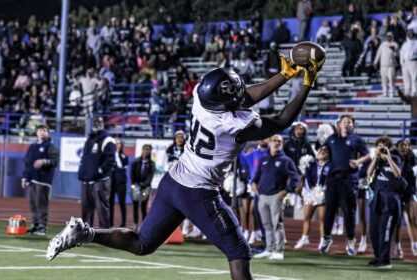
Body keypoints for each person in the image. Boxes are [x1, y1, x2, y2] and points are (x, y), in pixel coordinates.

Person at [46, 53, 323, 279]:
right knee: (238, 251)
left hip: (173, 182)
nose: (239, 94)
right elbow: (282, 120)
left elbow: (243, 96)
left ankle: (86, 232)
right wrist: (307, 82)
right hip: (199, 191)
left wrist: (285, 75)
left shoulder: (202, 100)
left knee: (143, 243)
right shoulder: (233, 125)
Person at [320, 114, 370, 255]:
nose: (347, 124)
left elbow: (368, 156)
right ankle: (326, 238)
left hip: (349, 180)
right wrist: (320, 157)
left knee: (349, 211)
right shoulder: (331, 139)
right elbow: (323, 154)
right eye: (345, 122)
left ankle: (350, 241)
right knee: (329, 210)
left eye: (350, 123)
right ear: (339, 124)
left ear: (353, 125)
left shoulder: (357, 139)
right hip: (333, 179)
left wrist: (358, 162)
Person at [252, 134, 299, 260]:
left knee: (277, 224)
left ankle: (279, 251)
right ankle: (269, 248)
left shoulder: (286, 160)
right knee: (266, 224)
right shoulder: (264, 159)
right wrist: (254, 184)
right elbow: (256, 176)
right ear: (269, 142)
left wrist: (286, 191)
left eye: (279, 141)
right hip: (262, 196)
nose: (276, 143)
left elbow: (295, 178)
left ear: (282, 144)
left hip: (275, 196)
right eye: (274, 140)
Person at [367, 136, 404, 269]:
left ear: (389, 147)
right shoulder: (376, 160)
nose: (381, 147)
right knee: (373, 230)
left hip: (391, 200)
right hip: (377, 198)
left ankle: (385, 260)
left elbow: (398, 174)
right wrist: (376, 158)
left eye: (384, 145)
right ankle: (378, 257)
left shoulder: (396, 159)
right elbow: (369, 173)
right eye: (379, 145)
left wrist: (388, 157)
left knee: (385, 231)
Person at [78, 117, 116, 229]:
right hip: (87, 179)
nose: (97, 124)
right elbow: (84, 158)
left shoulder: (108, 140)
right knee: (86, 208)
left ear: (103, 124)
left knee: (102, 208)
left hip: (101, 180)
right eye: (95, 122)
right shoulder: (89, 139)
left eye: (99, 122)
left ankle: (105, 232)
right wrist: (82, 172)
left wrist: (99, 171)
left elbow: (110, 160)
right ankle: (85, 231)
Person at [22, 124, 59, 236]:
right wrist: (25, 178)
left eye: (45, 130)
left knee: (41, 204)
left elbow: (55, 161)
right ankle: (35, 224)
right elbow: (27, 164)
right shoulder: (32, 147)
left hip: (43, 180)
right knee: (33, 204)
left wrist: (44, 161)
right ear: (36, 132)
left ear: (48, 133)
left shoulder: (50, 146)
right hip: (32, 179)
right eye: (40, 130)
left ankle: (42, 226)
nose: (42, 132)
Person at [294, 147, 329, 250]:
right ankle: (304, 237)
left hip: (323, 194)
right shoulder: (311, 163)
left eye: (324, 152)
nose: (321, 153)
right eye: (320, 151)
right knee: (307, 217)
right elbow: (304, 177)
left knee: (322, 219)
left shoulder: (330, 165)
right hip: (310, 193)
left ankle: (323, 241)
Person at [392, 139, 417, 256]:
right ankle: (397, 247)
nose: (404, 147)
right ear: (397, 147)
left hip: (409, 192)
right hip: (395, 192)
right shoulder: (392, 158)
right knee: (397, 221)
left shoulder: (413, 158)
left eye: (406, 145)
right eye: (401, 145)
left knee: (413, 218)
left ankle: (414, 245)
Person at [130, 144, 156, 231]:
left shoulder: (152, 164)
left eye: (148, 149)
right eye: (145, 149)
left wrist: (144, 185)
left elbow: (150, 176)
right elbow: (132, 174)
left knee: (143, 207)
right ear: (142, 150)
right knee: (135, 206)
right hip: (136, 187)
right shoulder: (135, 161)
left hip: (145, 188)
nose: (146, 151)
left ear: (150, 151)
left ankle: (144, 225)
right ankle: (135, 224)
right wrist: (135, 184)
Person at [109, 138, 128, 228]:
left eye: (119, 143)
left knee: (121, 203)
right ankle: (110, 222)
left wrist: (117, 153)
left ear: (122, 145)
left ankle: (123, 223)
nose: (117, 145)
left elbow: (121, 165)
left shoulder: (124, 156)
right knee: (110, 202)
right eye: (116, 144)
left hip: (121, 183)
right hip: (112, 182)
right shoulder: (111, 155)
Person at [373, 32, 399, 97]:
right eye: (387, 36)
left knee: (391, 80)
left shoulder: (395, 44)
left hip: (391, 66)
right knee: (384, 80)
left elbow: (397, 55)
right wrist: (375, 62)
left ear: (392, 36)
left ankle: (392, 92)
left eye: (390, 36)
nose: (388, 37)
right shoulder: (383, 44)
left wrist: (394, 50)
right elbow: (378, 54)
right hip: (383, 66)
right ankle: (385, 92)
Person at [400, 30, 417, 97]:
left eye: (411, 34)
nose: (410, 35)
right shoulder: (405, 44)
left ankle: (414, 91)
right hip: (405, 63)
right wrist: (402, 62)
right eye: (409, 34)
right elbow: (401, 53)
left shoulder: (416, 43)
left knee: (414, 78)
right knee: (406, 77)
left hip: (413, 62)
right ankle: (407, 90)